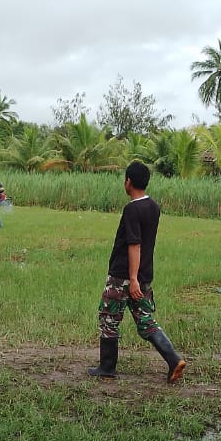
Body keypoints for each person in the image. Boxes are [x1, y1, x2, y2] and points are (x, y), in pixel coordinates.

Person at [88, 162, 187, 383]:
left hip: (123, 276)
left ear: (128, 182)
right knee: (145, 319)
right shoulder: (153, 206)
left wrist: (131, 279)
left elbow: (134, 244)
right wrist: (138, 279)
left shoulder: (132, 209)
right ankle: (173, 359)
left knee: (108, 318)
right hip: (144, 276)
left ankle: (107, 367)